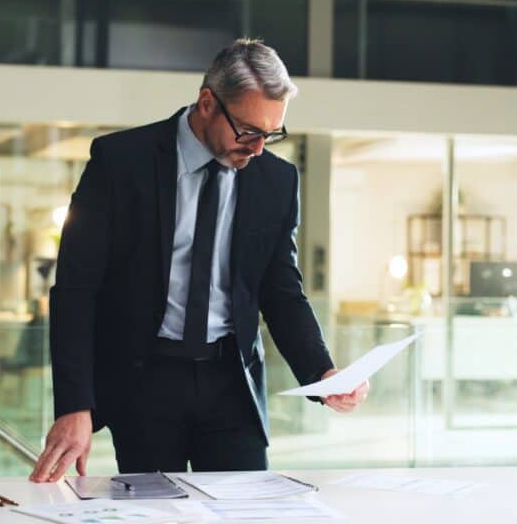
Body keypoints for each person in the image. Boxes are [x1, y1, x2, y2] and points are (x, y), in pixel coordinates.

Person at [29, 38, 369, 483]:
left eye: (271, 133)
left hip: (232, 383)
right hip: (145, 382)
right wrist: (76, 404)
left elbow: (281, 290)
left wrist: (323, 372)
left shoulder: (277, 180)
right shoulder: (119, 162)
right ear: (207, 103)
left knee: (245, 511)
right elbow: (76, 290)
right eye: (248, 131)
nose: (259, 148)